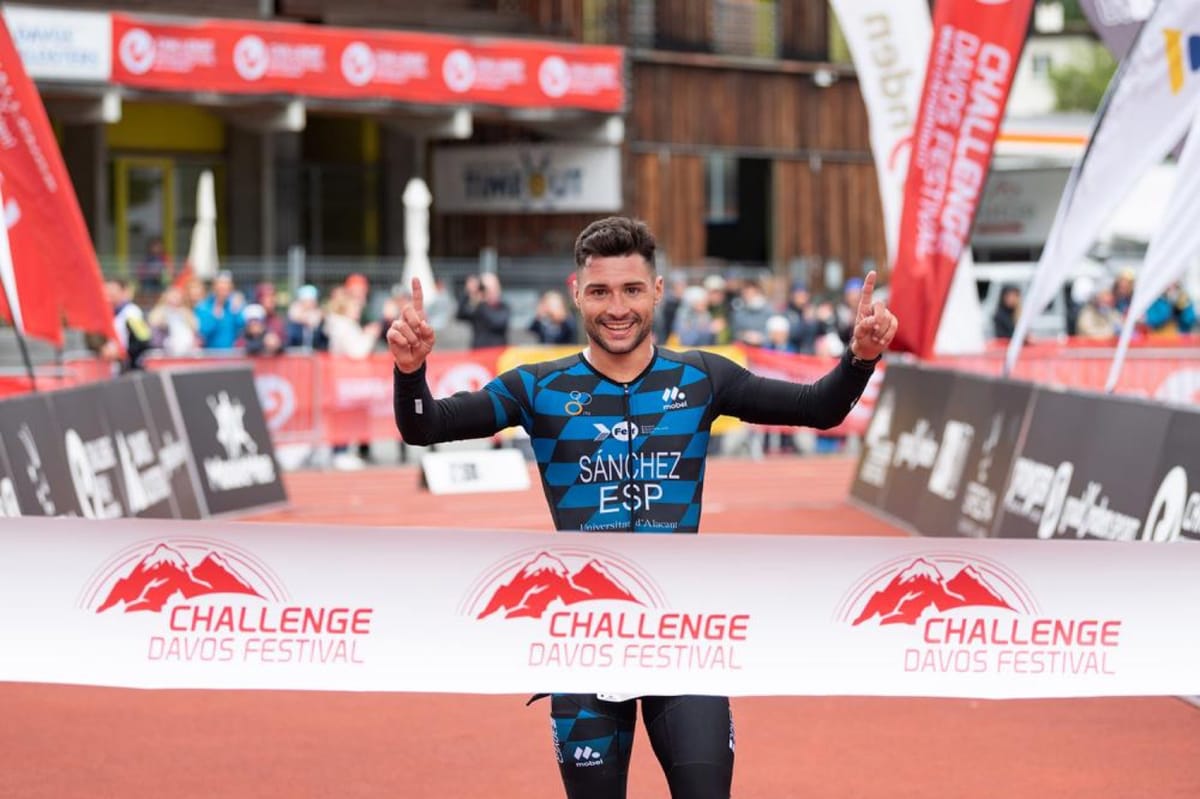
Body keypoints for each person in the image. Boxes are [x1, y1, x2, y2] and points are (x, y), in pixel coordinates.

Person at [388, 216, 897, 799]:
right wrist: (410, 373)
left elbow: (819, 408)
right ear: (577, 293)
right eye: (600, 291)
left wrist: (860, 358)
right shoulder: (536, 388)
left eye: (632, 290)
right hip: (584, 640)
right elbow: (425, 426)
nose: (617, 308)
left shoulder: (701, 377)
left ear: (657, 291)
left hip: (681, 637)